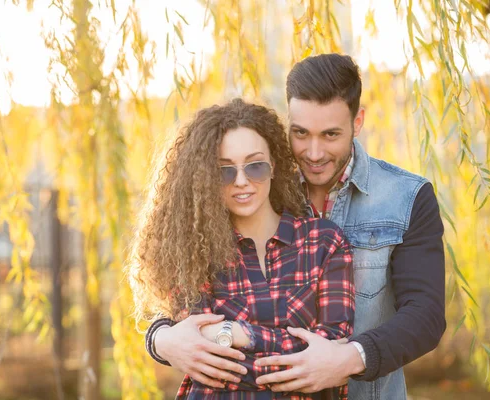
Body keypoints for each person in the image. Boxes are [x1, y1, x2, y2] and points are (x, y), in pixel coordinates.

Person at [145, 54, 446, 400]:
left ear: (357, 121)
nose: (314, 153)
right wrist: (161, 338)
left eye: (330, 134)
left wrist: (345, 358)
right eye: (301, 133)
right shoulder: (257, 188)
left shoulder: (406, 197)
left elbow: (425, 316)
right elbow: (176, 287)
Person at [129, 98, 355, 399]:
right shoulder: (193, 252)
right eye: (224, 171)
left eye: (255, 166)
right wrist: (294, 354)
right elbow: (208, 361)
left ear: (273, 166)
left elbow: (333, 353)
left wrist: (240, 335)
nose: (241, 181)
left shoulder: (324, 243)